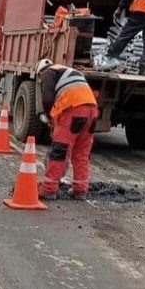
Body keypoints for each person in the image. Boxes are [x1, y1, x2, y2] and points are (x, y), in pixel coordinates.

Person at [36, 59, 98, 200]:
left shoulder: (48, 72)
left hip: (72, 108)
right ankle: (81, 190)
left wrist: (49, 117)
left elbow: (46, 99)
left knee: (60, 151)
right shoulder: (69, 71)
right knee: (82, 152)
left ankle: (49, 190)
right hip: (92, 110)